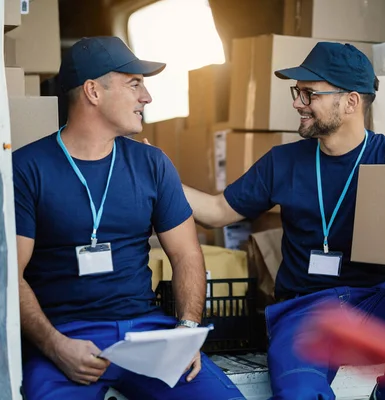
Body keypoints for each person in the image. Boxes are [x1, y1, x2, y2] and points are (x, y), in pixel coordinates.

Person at [179, 43, 385, 400]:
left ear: (350, 102)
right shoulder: (282, 162)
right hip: (305, 313)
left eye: (309, 93)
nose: (298, 103)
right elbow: (216, 210)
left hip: (374, 304)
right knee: (299, 393)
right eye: (297, 92)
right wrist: (158, 176)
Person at [13, 36, 244, 400]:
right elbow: (10, 275)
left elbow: (186, 255)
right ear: (93, 91)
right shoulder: (27, 169)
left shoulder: (152, 164)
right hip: (66, 337)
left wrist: (185, 332)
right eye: (134, 84)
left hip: (147, 334)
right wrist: (55, 346)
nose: (146, 97)